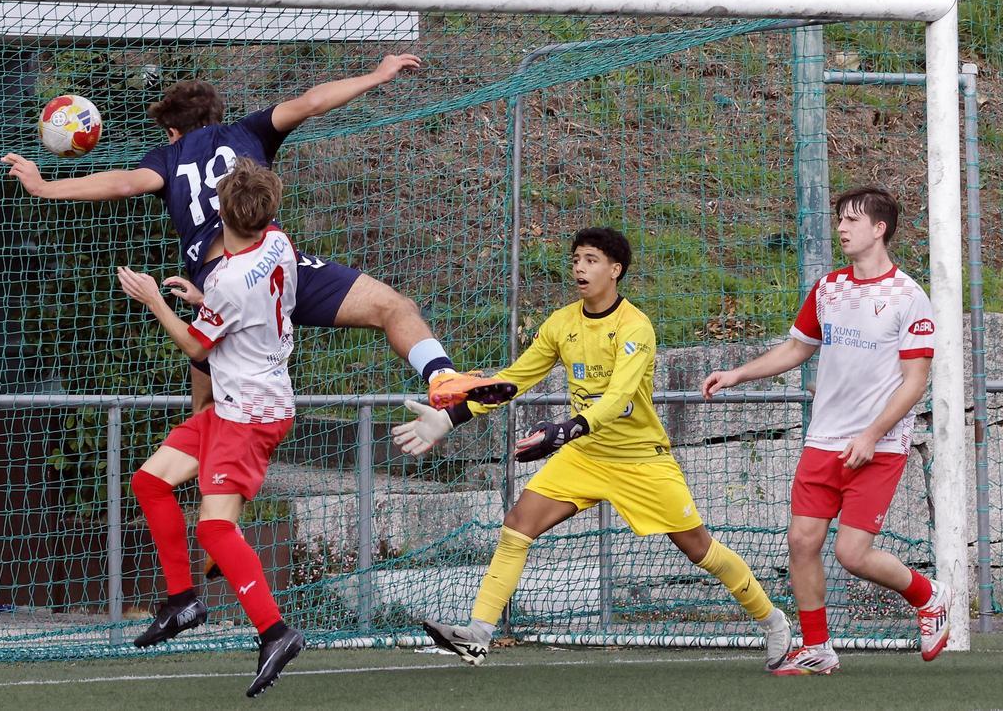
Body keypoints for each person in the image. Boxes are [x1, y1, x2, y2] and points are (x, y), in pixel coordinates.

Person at [1, 55, 516, 646]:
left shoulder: (167, 159)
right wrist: (375, 77)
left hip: (221, 289)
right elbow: (314, 99)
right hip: (277, 269)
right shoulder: (250, 131)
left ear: (172, 131)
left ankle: (212, 548)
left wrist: (45, 185)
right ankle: (443, 377)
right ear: (219, 116)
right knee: (391, 308)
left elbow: (119, 183)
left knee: (207, 411)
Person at [393, 227, 791, 670]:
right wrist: (448, 418)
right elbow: (513, 380)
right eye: (576, 259)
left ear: (615, 270)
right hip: (585, 455)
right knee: (518, 525)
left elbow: (619, 397)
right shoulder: (562, 323)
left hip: (640, 460)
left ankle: (771, 619)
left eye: (591, 260)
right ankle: (478, 635)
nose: (580, 267)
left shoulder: (635, 327)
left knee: (701, 550)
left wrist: (565, 430)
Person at [699, 186, 949, 675]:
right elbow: (796, 349)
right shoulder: (829, 287)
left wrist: (873, 434)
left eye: (852, 220)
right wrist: (737, 374)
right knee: (801, 542)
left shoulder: (909, 297)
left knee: (852, 554)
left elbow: (915, 380)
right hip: (823, 441)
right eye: (840, 219)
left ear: (879, 229)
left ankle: (928, 594)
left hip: (879, 445)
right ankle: (818, 648)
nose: (841, 227)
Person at [118, 158, 303, 697]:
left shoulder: (224, 277)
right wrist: (205, 303)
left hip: (249, 415)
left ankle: (275, 632)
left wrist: (155, 299)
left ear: (220, 211)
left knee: (215, 530)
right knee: (150, 482)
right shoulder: (278, 243)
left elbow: (199, 347)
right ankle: (183, 600)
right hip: (235, 404)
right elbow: (249, 305)